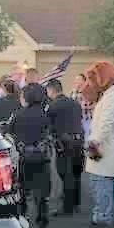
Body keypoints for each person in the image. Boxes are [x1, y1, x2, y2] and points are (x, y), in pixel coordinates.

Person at [83, 61, 114, 226]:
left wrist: (93, 143)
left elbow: (105, 126)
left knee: (101, 183)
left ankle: (102, 215)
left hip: (103, 150)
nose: (90, 84)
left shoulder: (111, 98)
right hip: (110, 151)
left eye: (92, 80)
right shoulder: (111, 95)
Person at [7, 82, 54, 228]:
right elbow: (50, 133)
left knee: (22, 189)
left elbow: (9, 131)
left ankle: (24, 216)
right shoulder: (44, 115)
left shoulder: (17, 114)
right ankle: (42, 217)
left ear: (26, 97)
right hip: (42, 157)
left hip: (23, 158)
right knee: (42, 189)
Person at [45, 77, 85, 216]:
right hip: (79, 141)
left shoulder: (53, 106)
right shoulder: (75, 103)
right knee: (76, 173)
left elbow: (48, 126)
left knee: (65, 174)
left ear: (51, 90)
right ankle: (76, 204)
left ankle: (67, 208)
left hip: (64, 143)